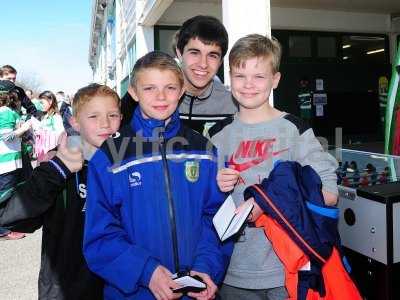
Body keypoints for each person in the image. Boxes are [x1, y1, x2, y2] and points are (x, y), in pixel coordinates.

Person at [83, 51, 232, 299]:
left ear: (182, 90)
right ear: (133, 92)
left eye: (170, 87)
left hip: (194, 289)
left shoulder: (203, 149)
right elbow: (100, 237)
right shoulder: (110, 157)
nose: (161, 96)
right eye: (150, 88)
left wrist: (206, 267)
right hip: (135, 292)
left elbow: (217, 218)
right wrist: (146, 271)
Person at [209, 34, 338, 300]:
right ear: (230, 77)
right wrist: (214, 185)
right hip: (232, 271)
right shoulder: (216, 134)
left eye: (259, 76)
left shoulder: (294, 130)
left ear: (275, 79)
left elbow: (329, 194)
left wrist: (268, 202)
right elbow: (201, 206)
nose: (248, 85)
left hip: (288, 268)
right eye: (240, 75)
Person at [0, 83, 122, 299]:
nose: (105, 123)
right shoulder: (58, 165)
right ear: (75, 121)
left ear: (121, 118)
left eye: (112, 114)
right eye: (93, 116)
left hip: (117, 286)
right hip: (65, 289)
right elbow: (9, 218)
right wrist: (58, 169)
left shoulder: (128, 165)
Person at [175, 15, 237, 135]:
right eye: (194, 52)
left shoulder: (234, 106)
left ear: (220, 62)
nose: (203, 64)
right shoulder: (156, 99)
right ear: (179, 53)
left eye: (212, 55)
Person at [0, 80, 31, 240]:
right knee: (4, 194)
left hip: (8, 159)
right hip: (7, 161)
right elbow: (6, 136)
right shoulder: (5, 111)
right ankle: (3, 229)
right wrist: (24, 128)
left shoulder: (6, 111)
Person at [34, 91, 65, 162]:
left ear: (50, 101)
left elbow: (61, 136)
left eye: (42, 103)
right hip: (41, 154)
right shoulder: (44, 117)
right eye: (39, 103)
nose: (40, 105)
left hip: (51, 155)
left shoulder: (56, 117)